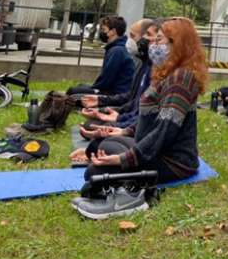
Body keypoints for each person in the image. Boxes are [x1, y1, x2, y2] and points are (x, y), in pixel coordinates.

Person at [72, 17, 208, 218]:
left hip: (172, 161)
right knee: (102, 146)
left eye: (158, 40)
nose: (152, 44)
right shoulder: (167, 73)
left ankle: (131, 198)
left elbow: (164, 131)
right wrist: (123, 131)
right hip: (151, 148)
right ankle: (117, 174)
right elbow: (152, 119)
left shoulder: (181, 79)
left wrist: (124, 158)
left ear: (176, 44)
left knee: (94, 172)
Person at [69, 19, 157, 158]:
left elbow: (154, 125)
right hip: (131, 120)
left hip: (142, 135)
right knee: (93, 132)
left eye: (133, 36)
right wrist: (111, 114)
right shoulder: (144, 64)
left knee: (101, 144)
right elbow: (134, 103)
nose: (131, 40)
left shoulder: (163, 74)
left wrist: (120, 125)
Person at [66, 15, 135, 96]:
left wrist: (93, 89)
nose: (101, 32)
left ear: (113, 31)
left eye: (103, 29)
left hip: (114, 94)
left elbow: (106, 79)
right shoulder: (117, 48)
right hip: (112, 90)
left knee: (72, 91)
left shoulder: (117, 51)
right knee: (81, 86)